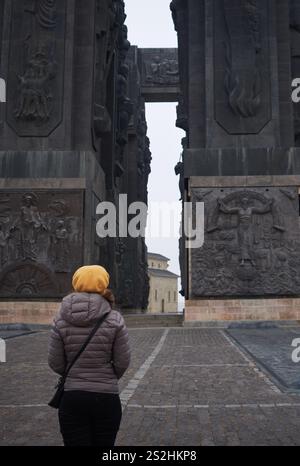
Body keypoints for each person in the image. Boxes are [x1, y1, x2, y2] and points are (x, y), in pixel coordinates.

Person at [48, 265, 131, 447]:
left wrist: (73, 372)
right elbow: (122, 361)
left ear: (76, 283)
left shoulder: (60, 319)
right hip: (106, 397)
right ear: (104, 284)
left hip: (73, 396)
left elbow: (55, 362)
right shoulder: (115, 319)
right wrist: (108, 375)